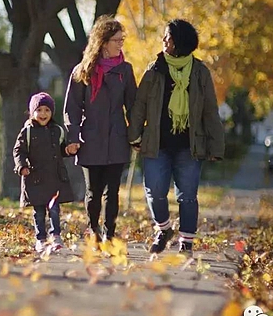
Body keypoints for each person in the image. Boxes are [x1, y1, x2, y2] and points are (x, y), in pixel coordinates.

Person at [128, 19, 225, 256]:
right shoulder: (154, 69)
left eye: (168, 38)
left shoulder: (200, 72)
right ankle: (163, 229)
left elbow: (210, 110)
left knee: (188, 196)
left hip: (189, 146)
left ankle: (186, 242)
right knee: (154, 191)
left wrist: (216, 146)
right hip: (156, 143)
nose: (163, 41)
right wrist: (134, 136)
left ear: (179, 42)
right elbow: (140, 105)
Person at [63, 15, 137, 243]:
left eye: (122, 39)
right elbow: (72, 108)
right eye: (116, 40)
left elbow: (133, 107)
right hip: (91, 139)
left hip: (116, 139)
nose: (120, 44)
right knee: (93, 193)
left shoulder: (125, 70)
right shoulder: (82, 71)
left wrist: (136, 136)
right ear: (103, 42)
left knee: (112, 192)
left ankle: (109, 234)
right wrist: (73, 138)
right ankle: (93, 228)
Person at [13, 92, 75, 253]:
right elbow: (18, 151)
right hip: (35, 177)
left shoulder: (57, 130)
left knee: (54, 209)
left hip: (54, 177)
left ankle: (56, 236)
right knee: (39, 211)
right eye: (39, 110)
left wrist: (68, 150)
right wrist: (22, 166)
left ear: (52, 112)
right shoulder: (27, 131)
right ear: (32, 112)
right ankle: (40, 239)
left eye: (47, 110)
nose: (43, 114)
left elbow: (61, 150)